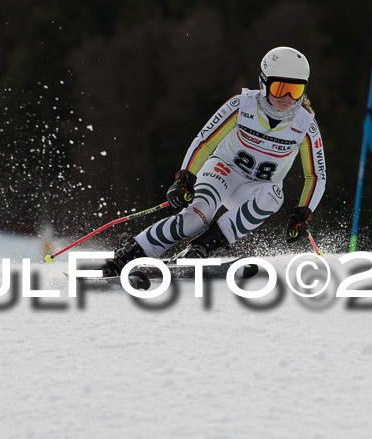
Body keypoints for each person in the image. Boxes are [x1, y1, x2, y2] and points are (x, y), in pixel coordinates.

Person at [102, 46, 326, 276]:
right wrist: (185, 178)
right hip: (223, 171)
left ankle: (199, 249)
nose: (287, 98)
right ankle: (129, 254)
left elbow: (316, 175)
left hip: (253, 189)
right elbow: (204, 142)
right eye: (280, 88)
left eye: (295, 90)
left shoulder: (305, 125)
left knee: (273, 196)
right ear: (264, 83)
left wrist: (303, 212)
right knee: (197, 217)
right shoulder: (242, 105)